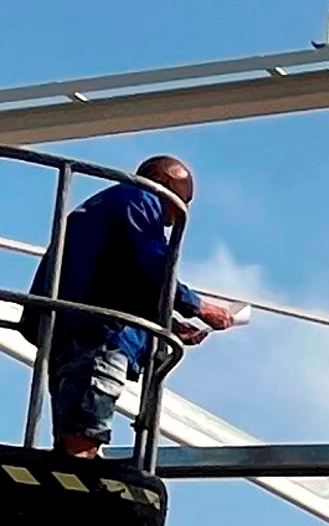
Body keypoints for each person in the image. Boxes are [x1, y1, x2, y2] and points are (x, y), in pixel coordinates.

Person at [46, 156, 245, 458]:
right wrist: (200, 307)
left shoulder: (107, 206)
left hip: (70, 331)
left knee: (71, 430)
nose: (179, 215)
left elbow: (119, 279)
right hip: (99, 335)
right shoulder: (139, 199)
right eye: (183, 200)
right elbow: (150, 264)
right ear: (164, 183)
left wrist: (170, 323)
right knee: (84, 436)